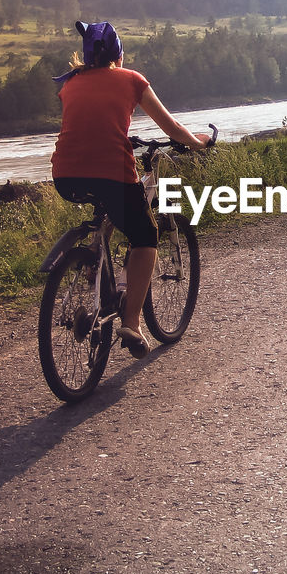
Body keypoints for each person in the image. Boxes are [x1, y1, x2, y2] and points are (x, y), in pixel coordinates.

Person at [50, 21, 210, 356]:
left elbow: (90, 124)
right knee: (145, 235)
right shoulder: (131, 80)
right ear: (118, 55)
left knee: (109, 216)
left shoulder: (70, 84)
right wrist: (197, 143)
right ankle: (132, 322)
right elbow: (171, 126)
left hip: (65, 176)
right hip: (111, 174)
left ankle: (95, 265)